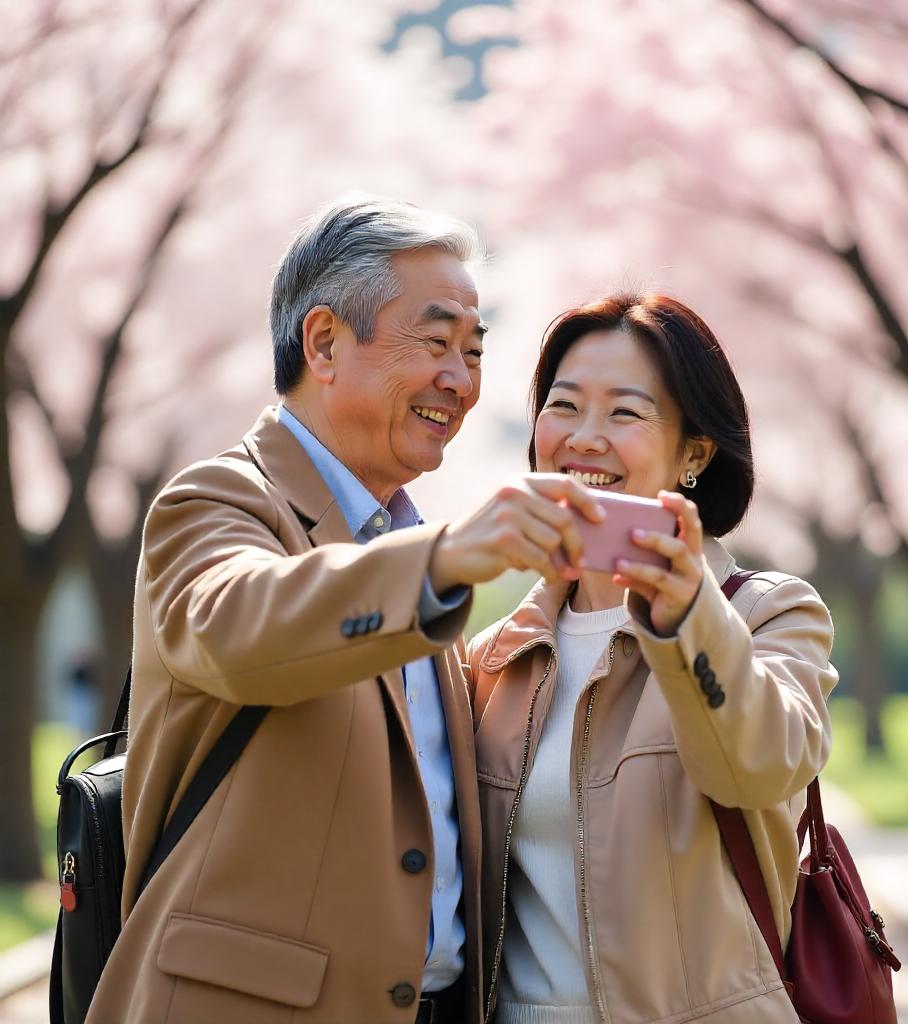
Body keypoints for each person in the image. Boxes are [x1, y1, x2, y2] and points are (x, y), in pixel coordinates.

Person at [85, 197, 604, 1024]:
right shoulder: (219, 500)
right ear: (324, 343)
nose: (461, 382)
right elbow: (237, 624)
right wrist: (445, 560)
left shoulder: (409, 548)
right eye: (435, 344)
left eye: (473, 353)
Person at [467, 294, 839, 1024]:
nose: (584, 438)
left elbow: (757, 764)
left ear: (694, 453)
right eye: (563, 406)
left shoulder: (767, 615)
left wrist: (686, 613)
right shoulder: (495, 657)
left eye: (625, 414)